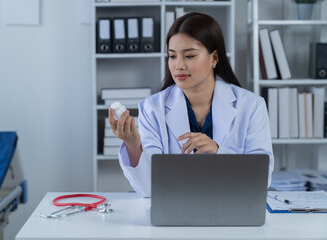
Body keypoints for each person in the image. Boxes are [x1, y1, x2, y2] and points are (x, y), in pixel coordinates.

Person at [108, 12, 274, 197]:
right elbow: (149, 189)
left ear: (214, 58)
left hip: (232, 207)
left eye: (189, 56)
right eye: (172, 56)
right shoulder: (152, 108)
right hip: (176, 210)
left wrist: (219, 152)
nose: (178, 65)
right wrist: (133, 146)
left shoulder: (251, 106)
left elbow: (261, 179)